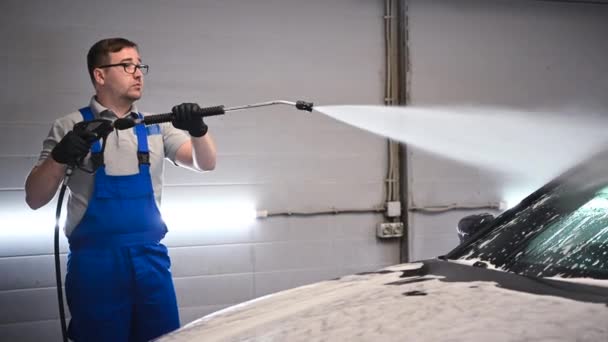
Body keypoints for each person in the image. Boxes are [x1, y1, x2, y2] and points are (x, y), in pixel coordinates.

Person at [24, 37, 216, 342]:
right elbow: (34, 198)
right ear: (100, 75)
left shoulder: (156, 125)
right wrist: (61, 156)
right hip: (95, 267)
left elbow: (204, 163)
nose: (138, 72)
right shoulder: (69, 125)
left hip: (151, 262)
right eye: (127, 66)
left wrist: (198, 130)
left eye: (140, 66)